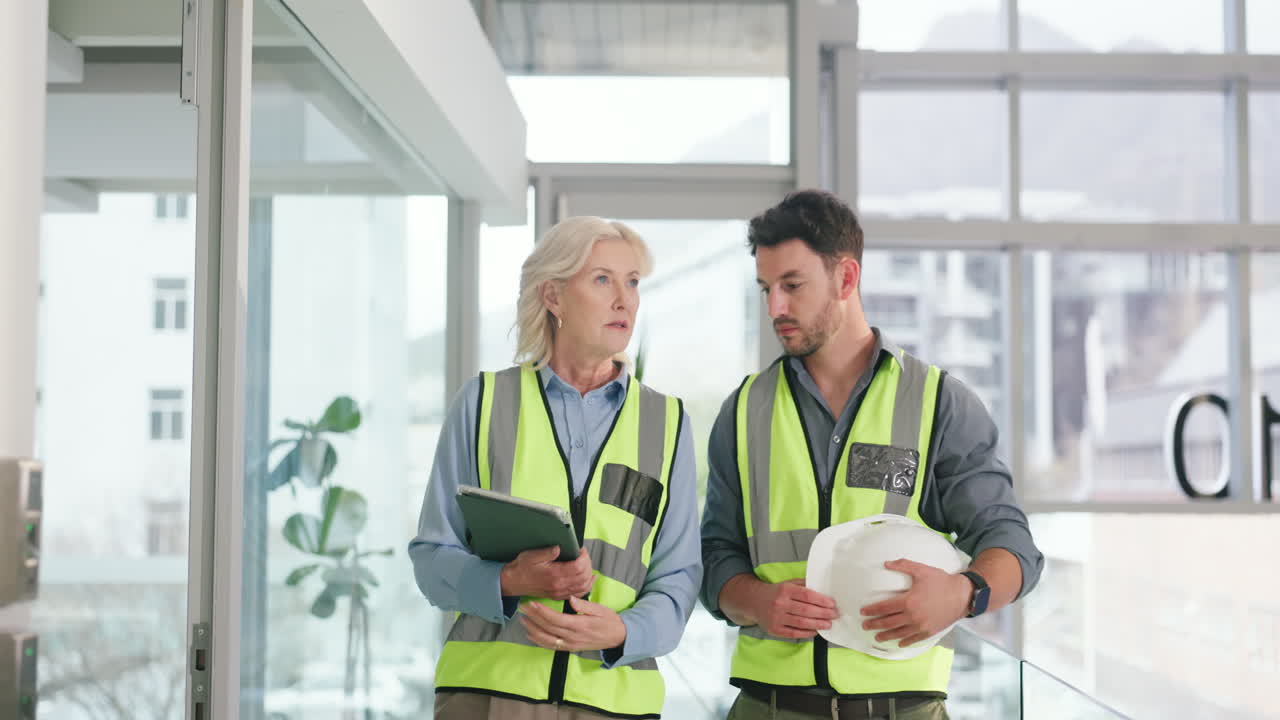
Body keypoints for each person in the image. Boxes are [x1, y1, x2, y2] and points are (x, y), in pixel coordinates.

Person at [700, 190, 1044, 720]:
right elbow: (716, 557)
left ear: (846, 278)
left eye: (792, 286)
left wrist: (961, 593)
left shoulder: (939, 404)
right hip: (767, 707)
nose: (776, 308)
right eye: (766, 289)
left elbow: (1012, 545)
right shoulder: (743, 411)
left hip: (903, 708)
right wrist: (755, 601)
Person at [409, 216, 702, 720]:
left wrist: (623, 631)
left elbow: (678, 578)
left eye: (632, 282)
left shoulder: (667, 422)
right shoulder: (483, 403)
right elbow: (432, 559)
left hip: (614, 705)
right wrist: (508, 581)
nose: (624, 299)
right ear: (553, 296)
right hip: (487, 699)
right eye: (602, 279)